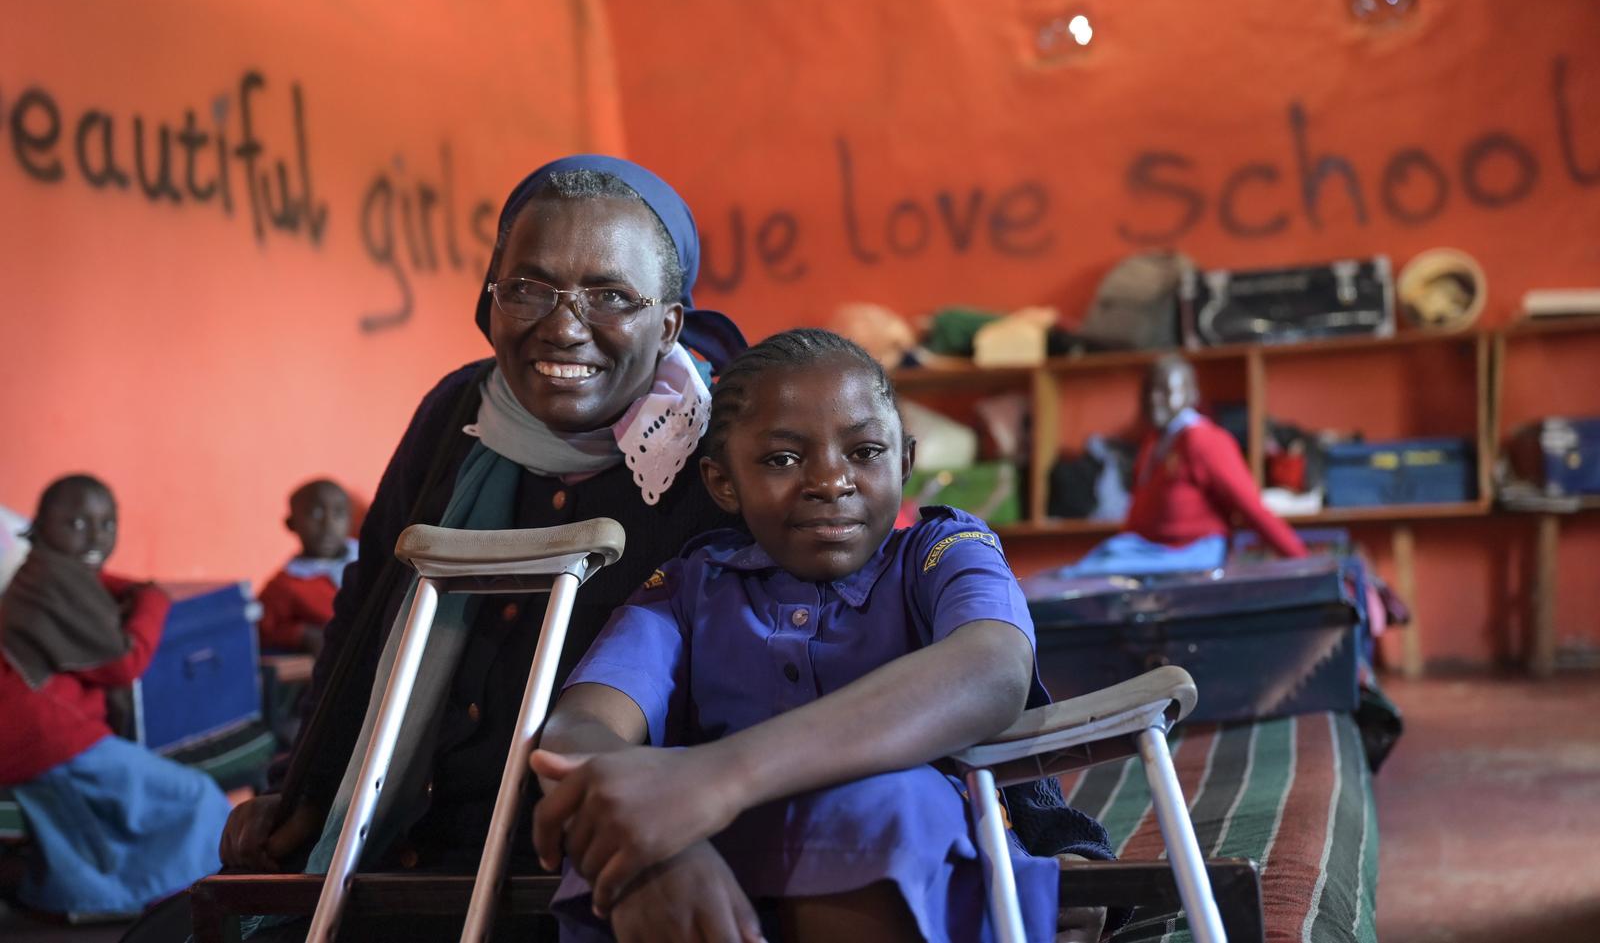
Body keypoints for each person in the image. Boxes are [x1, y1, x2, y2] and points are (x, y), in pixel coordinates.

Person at [205, 158, 1106, 942]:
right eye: (530, 286)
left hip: (623, 823)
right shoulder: (458, 420)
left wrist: (667, 828)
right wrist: (301, 789)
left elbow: (963, 669)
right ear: (488, 299)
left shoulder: (720, 449)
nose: (564, 325)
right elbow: (371, 615)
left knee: (870, 826)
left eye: (610, 295)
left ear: (669, 324)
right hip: (479, 824)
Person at [532, 329, 1111, 943]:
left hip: (923, 867)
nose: (830, 481)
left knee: (877, 806)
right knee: (611, 840)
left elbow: (991, 670)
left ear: (905, 462)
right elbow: (578, 731)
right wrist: (659, 838)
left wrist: (713, 780)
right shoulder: (686, 590)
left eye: (864, 452)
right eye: (782, 459)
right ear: (723, 483)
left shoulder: (943, 553)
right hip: (725, 860)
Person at [0, 475, 231, 915]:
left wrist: (132, 588)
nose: (95, 536)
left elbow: (100, 579)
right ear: (40, 526)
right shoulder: (51, 579)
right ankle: (188, 900)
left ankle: (99, 894)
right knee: (196, 796)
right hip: (47, 735)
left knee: (113, 828)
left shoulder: (56, 570)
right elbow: (126, 662)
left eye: (107, 524)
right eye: (77, 523)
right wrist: (155, 599)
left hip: (40, 734)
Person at [1124, 355, 1306, 560]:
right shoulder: (1154, 442)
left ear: (1190, 395)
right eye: (1148, 390)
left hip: (1189, 552)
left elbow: (1250, 507)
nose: (1153, 398)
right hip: (1144, 551)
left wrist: (1302, 561)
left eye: (1165, 391)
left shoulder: (1204, 440)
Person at [256, 479, 358, 655]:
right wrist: (301, 635)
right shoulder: (286, 584)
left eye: (339, 513)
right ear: (291, 523)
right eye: (316, 513)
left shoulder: (370, 557)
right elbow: (261, 630)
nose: (329, 524)